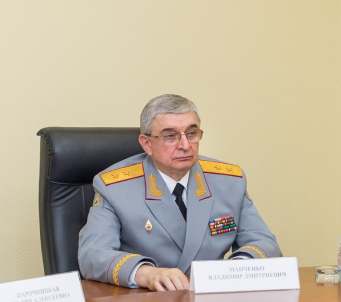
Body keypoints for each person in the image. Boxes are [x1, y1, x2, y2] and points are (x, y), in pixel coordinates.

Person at [79, 94, 282, 291]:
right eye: (170, 136)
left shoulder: (229, 181)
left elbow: (265, 243)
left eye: (191, 133)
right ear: (147, 143)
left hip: (212, 300)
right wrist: (146, 274)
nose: (185, 145)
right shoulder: (115, 187)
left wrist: (239, 267)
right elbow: (92, 255)